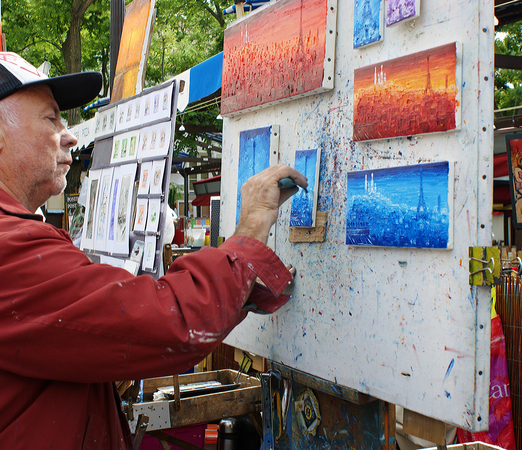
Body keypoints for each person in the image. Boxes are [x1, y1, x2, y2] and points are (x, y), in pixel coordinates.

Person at [0, 52, 308, 449]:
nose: (70, 133)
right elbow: (168, 322)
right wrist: (248, 233)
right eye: (50, 118)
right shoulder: (11, 249)